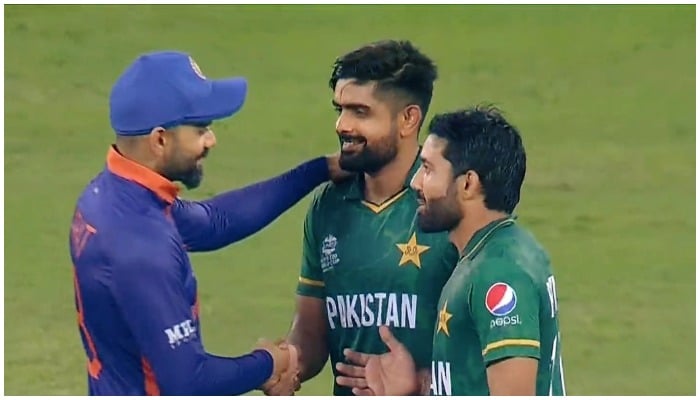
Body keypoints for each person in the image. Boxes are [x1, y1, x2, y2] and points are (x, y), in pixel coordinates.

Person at [68, 50, 348, 395]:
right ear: (159, 140)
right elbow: (189, 380)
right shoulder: (140, 246)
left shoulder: (111, 194)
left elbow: (216, 221)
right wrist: (270, 363)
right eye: (201, 129)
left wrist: (319, 170)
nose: (211, 140)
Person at [261, 40, 460, 396]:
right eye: (339, 109)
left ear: (408, 119)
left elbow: (487, 350)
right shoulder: (328, 207)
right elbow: (311, 330)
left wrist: (416, 385)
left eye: (360, 112)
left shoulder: (449, 205)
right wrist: (285, 363)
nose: (342, 125)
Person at [333, 105, 566, 396]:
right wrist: (418, 385)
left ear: (468, 183)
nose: (416, 182)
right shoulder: (488, 254)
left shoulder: (500, 271)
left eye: (428, 169)